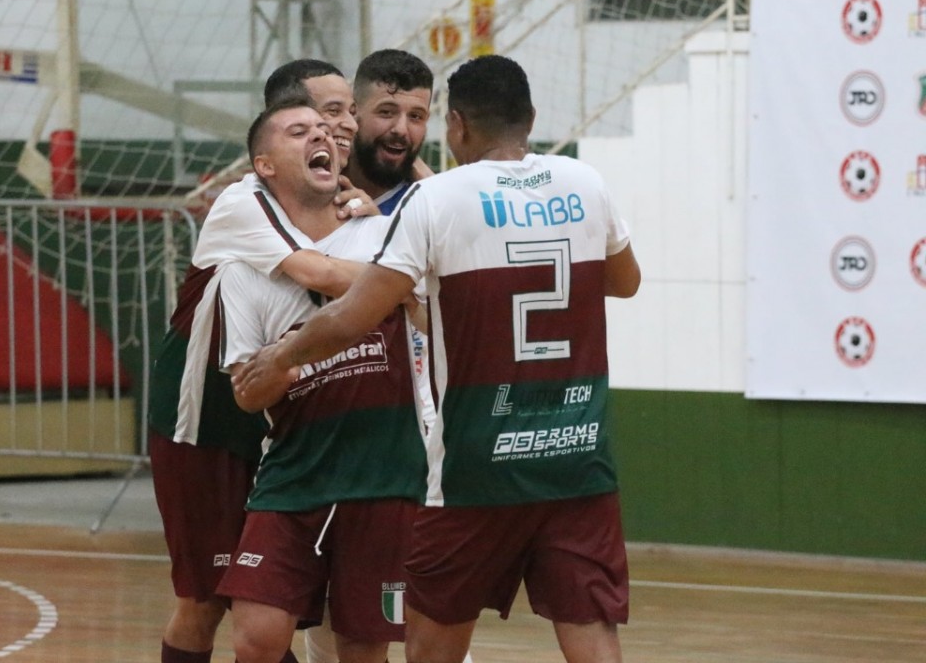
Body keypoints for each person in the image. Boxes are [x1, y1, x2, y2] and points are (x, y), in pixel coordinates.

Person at [232, 54, 642, 663]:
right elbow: (625, 281)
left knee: (431, 644)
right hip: (576, 451)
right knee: (590, 631)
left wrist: (281, 355)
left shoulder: (436, 199)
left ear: (456, 127)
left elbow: (353, 314)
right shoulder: (585, 183)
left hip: (478, 460)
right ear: (529, 118)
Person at [149, 61, 372, 663]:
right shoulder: (244, 200)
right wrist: (407, 277)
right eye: (325, 115)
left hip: (288, 426)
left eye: (349, 112)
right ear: (267, 153)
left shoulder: (351, 205)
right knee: (208, 599)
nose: (341, 125)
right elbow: (320, 274)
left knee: (271, 598)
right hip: (207, 421)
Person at [215, 98, 426, 663]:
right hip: (294, 471)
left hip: (384, 470)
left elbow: (427, 307)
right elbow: (246, 392)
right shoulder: (244, 267)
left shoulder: (382, 233)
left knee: (363, 647)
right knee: (255, 638)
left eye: (326, 131)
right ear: (266, 165)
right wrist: (285, 363)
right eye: (299, 131)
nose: (322, 138)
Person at [345, 49, 435, 215]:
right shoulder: (314, 188)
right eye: (386, 112)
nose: (401, 130)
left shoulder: (430, 210)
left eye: (415, 116)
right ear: (353, 111)